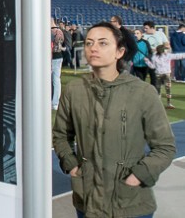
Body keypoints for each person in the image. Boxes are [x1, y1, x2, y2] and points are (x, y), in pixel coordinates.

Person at [53, 21, 175, 218]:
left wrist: (137, 176)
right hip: (88, 200)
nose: (93, 48)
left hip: (132, 203)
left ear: (120, 52)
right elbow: (61, 135)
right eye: (89, 43)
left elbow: (165, 147)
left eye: (102, 43)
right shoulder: (74, 91)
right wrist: (73, 166)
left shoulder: (143, 92)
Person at [143, 44, 185, 109]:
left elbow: (152, 66)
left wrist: (147, 61)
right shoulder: (167, 56)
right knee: (168, 89)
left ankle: (158, 104)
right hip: (166, 74)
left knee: (158, 89)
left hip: (158, 75)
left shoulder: (154, 57)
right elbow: (178, 56)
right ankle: (169, 103)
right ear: (163, 50)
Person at [142, 21, 170, 87]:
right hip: (148, 57)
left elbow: (167, 45)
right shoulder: (143, 36)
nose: (145, 30)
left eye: (146, 28)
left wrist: (158, 49)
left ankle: (156, 89)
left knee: (155, 77)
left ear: (152, 28)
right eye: (144, 28)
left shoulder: (160, 34)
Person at [51, 18, 65, 111]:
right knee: (56, 80)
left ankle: (53, 101)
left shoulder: (52, 32)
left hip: (53, 57)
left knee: (52, 80)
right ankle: (55, 102)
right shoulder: (59, 31)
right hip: (58, 56)